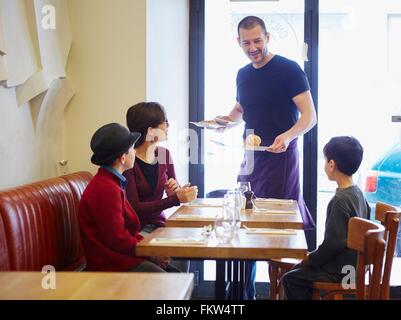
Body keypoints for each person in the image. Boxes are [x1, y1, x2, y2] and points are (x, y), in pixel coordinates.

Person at [215, 16, 317, 299]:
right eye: (246, 42)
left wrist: (288, 135)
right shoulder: (242, 74)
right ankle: (244, 296)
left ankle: (281, 293)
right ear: (239, 42)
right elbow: (240, 109)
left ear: (268, 37)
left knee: (278, 231)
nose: (253, 47)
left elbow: (310, 117)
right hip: (251, 157)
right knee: (243, 220)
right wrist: (227, 120)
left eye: (257, 41)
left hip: (281, 157)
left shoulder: (289, 69)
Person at [78, 123, 178, 272]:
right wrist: (150, 253)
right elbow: (118, 239)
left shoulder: (111, 181)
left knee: (176, 272)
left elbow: (123, 235)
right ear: (123, 158)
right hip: (111, 263)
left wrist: (150, 250)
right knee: (172, 280)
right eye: (132, 148)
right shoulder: (106, 188)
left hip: (120, 255)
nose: (134, 152)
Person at [282, 136, 370, 299]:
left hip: (343, 273)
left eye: (325, 161)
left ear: (331, 165)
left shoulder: (340, 201)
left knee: (291, 278)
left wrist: (310, 259)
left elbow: (333, 245)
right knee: (299, 271)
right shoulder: (358, 194)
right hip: (354, 269)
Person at [124, 102, 198, 271]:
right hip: (137, 230)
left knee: (184, 250)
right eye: (164, 122)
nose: (168, 125)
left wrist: (177, 190)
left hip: (159, 225)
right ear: (150, 131)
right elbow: (134, 208)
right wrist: (174, 199)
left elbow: (175, 190)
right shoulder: (129, 161)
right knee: (172, 269)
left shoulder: (164, 154)